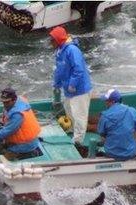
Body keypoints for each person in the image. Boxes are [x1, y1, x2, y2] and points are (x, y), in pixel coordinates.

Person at [49, 25, 92, 155]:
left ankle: (78, 140)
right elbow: (59, 70)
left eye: (52, 39)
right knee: (69, 112)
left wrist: (73, 84)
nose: (50, 42)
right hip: (68, 90)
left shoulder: (72, 50)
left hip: (79, 90)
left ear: (58, 39)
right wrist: (56, 84)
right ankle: (71, 131)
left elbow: (78, 69)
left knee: (79, 115)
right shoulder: (60, 51)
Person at [0, 88, 42, 160]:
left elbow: (7, 131)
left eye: (7, 102)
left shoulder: (17, 115)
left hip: (25, 146)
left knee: (3, 160)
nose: (5, 105)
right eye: (3, 102)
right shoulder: (19, 100)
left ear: (14, 100)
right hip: (24, 141)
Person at [96, 89, 136, 160]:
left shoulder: (104, 116)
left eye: (107, 101)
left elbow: (101, 133)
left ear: (113, 101)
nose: (105, 103)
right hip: (130, 153)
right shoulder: (132, 111)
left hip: (111, 153)